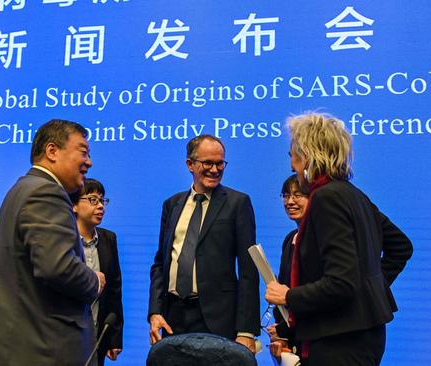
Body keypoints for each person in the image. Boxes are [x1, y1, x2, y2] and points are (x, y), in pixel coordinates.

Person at [265, 112, 413, 365]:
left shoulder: (326, 197)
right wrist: (369, 291)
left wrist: (288, 297)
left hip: (339, 339)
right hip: (361, 334)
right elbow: (401, 247)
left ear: (308, 155)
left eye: (293, 155)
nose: (292, 165)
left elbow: (341, 283)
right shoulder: (354, 195)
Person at [0, 119, 105, 366]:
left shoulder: (25, 188)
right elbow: (57, 267)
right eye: (83, 151)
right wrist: (94, 281)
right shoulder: (45, 193)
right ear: (52, 151)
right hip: (36, 352)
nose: (89, 162)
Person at [148, 134, 260, 353]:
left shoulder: (238, 203)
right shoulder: (172, 204)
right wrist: (155, 312)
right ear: (190, 164)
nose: (215, 169)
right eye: (208, 163)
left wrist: (246, 331)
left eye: (220, 163)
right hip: (173, 318)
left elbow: (248, 270)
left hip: (219, 319)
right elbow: (161, 264)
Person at [69, 178, 124, 366]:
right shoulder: (63, 240)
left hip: (96, 334)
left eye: (102, 201)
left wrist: (113, 337)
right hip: (66, 335)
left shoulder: (108, 239)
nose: (100, 206)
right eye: (93, 200)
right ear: (74, 206)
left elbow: (114, 291)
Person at [267, 174, 309, 361]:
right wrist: (280, 333)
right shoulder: (290, 238)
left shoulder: (317, 240)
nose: (290, 201)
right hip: (292, 339)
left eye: (297, 195)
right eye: (285, 195)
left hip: (313, 335)